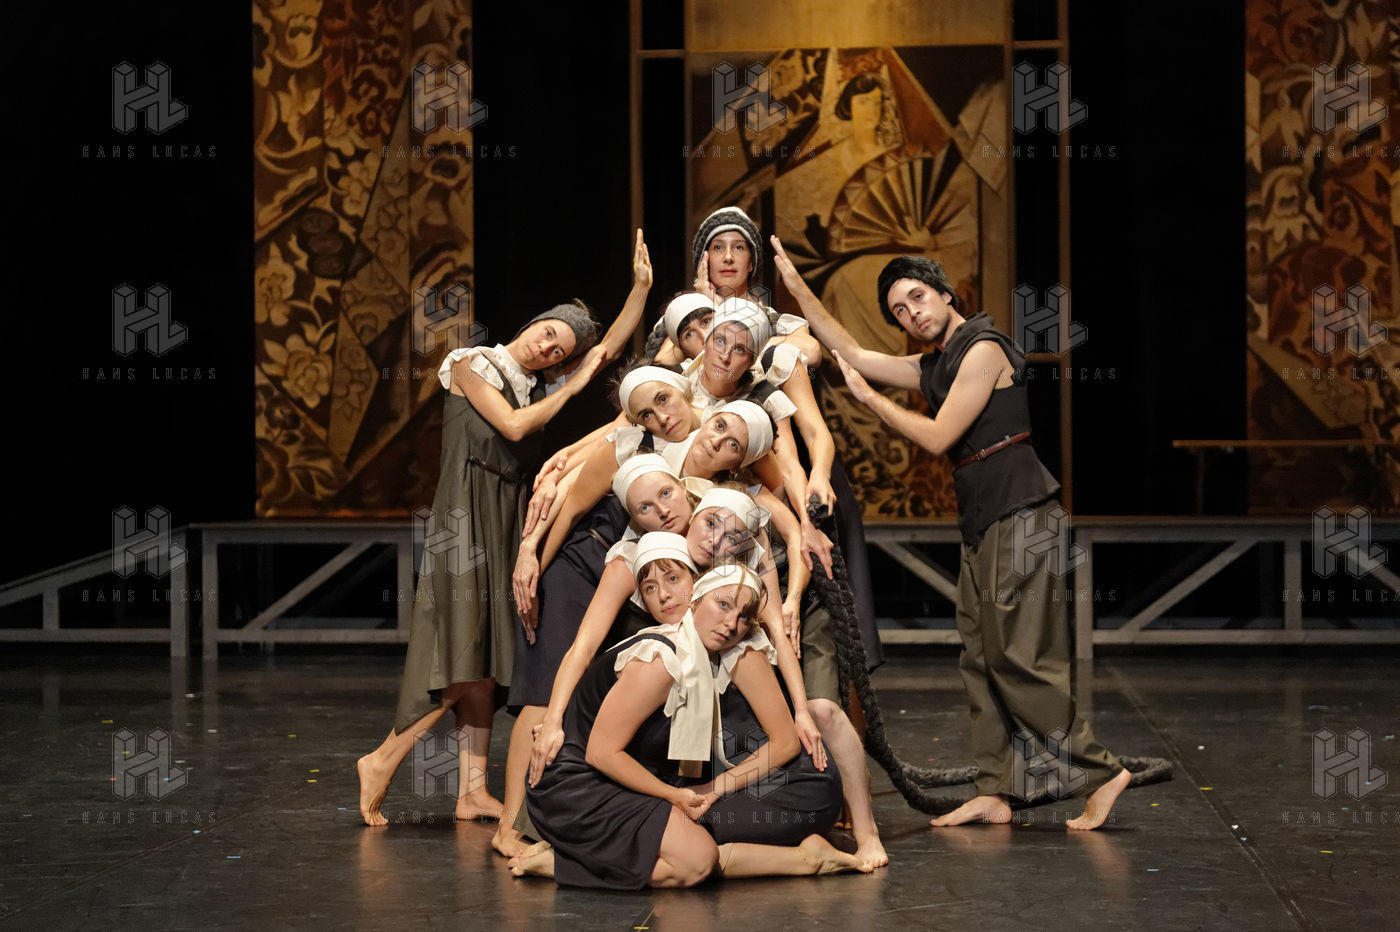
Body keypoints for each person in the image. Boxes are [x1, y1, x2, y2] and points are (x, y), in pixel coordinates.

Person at [771, 239, 1132, 831]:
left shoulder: (984, 349)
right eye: (900, 310)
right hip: (983, 518)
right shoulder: (935, 363)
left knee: (1018, 656)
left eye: (917, 298)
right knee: (980, 655)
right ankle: (996, 789)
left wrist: (870, 400)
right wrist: (797, 287)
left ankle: (1100, 770)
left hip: (1021, 512)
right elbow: (852, 352)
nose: (911, 313)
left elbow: (939, 436)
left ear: (944, 293)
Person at [354, 230, 653, 828]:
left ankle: (471, 792)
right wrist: (572, 384)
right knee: (462, 651)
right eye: (550, 333)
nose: (548, 347)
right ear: (535, 322)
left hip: (507, 514)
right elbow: (514, 428)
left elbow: (603, 353)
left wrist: (640, 291)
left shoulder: (538, 384)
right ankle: (383, 757)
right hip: (464, 514)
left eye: (559, 349)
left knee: (491, 658)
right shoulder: (471, 363)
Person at [510, 559, 869, 887]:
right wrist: (673, 795)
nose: (731, 624)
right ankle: (562, 864)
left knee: (698, 852)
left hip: (619, 778)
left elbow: (784, 741)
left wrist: (704, 790)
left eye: (744, 617)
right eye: (723, 605)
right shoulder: (661, 660)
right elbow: (600, 753)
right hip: (578, 787)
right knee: (695, 860)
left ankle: (808, 859)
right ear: (695, 600)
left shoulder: (705, 657)